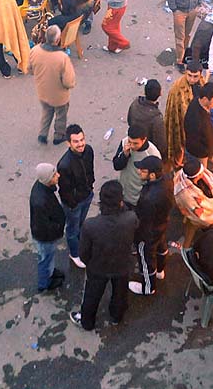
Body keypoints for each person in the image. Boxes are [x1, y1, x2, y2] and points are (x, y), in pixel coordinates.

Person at [70, 180, 138, 330]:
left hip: (98, 267)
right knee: (120, 294)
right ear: (120, 201)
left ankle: (87, 322)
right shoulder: (131, 218)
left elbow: (84, 253)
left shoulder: (90, 225)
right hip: (122, 264)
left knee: (92, 296)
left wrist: (90, 263)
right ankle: (116, 317)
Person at [128, 156, 174, 295]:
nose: (139, 172)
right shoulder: (167, 181)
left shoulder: (149, 198)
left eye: (142, 171)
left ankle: (148, 287)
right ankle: (160, 271)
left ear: (152, 175)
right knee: (161, 248)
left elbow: (141, 219)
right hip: (162, 224)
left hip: (146, 234)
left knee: (145, 259)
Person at [30, 25, 76, 145]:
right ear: (57, 40)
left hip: (43, 92)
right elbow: (69, 81)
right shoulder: (62, 57)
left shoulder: (35, 51)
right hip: (59, 96)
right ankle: (58, 136)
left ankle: (42, 134)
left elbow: (29, 69)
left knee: (46, 112)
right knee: (61, 115)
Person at [57, 124, 95, 269]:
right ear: (69, 143)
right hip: (74, 203)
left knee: (80, 224)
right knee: (72, 229)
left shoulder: (89, 150)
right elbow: (64, 191)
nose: (80, 144)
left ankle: (80, 244)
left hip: (87, 195)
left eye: (82, 139)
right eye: (76, 141)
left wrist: (90, 186)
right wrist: (73, 203)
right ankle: (74, 254)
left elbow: (90, 170)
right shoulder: (65, 164)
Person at [29, 163, 66, 292]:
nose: (58, 175)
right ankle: (45, 283)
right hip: (45, 238)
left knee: (48, 258)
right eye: (54, 175)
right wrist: (57, 229)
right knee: (45, 259)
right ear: (47, 180)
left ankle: (50, 272)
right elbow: (44, 227)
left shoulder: (43, 188)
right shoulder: (40, 200)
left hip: (47, 235)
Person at [166, 61, 206, 167]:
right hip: (183, 124)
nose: (192, 79)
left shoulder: (202, 82)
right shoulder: (177, 89)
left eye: (195, 76)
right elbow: (175, 113)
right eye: (189, 76)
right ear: (185, 73)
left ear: (200, 75)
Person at [112, 126, 162, 207]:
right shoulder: (125, 143)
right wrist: (125, 155)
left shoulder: (153, 154)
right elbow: (116, 166)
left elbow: (155, 181)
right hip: (124, 194)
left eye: (135, 143)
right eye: (130, 141)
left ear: (144, 139)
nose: (131, 146)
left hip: (139, 199)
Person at [184, 83, 213, 166]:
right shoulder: (198, 118)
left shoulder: (197, 101)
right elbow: (206, 138)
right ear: (205, 99)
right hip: (198, 154)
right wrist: (209, 152)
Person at [127, 80, 167, 158]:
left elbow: (129, 121)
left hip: (134, 142)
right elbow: (161, 143)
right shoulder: (156, 118)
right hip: (147, 150)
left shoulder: (135, 103)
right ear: (160, 93)